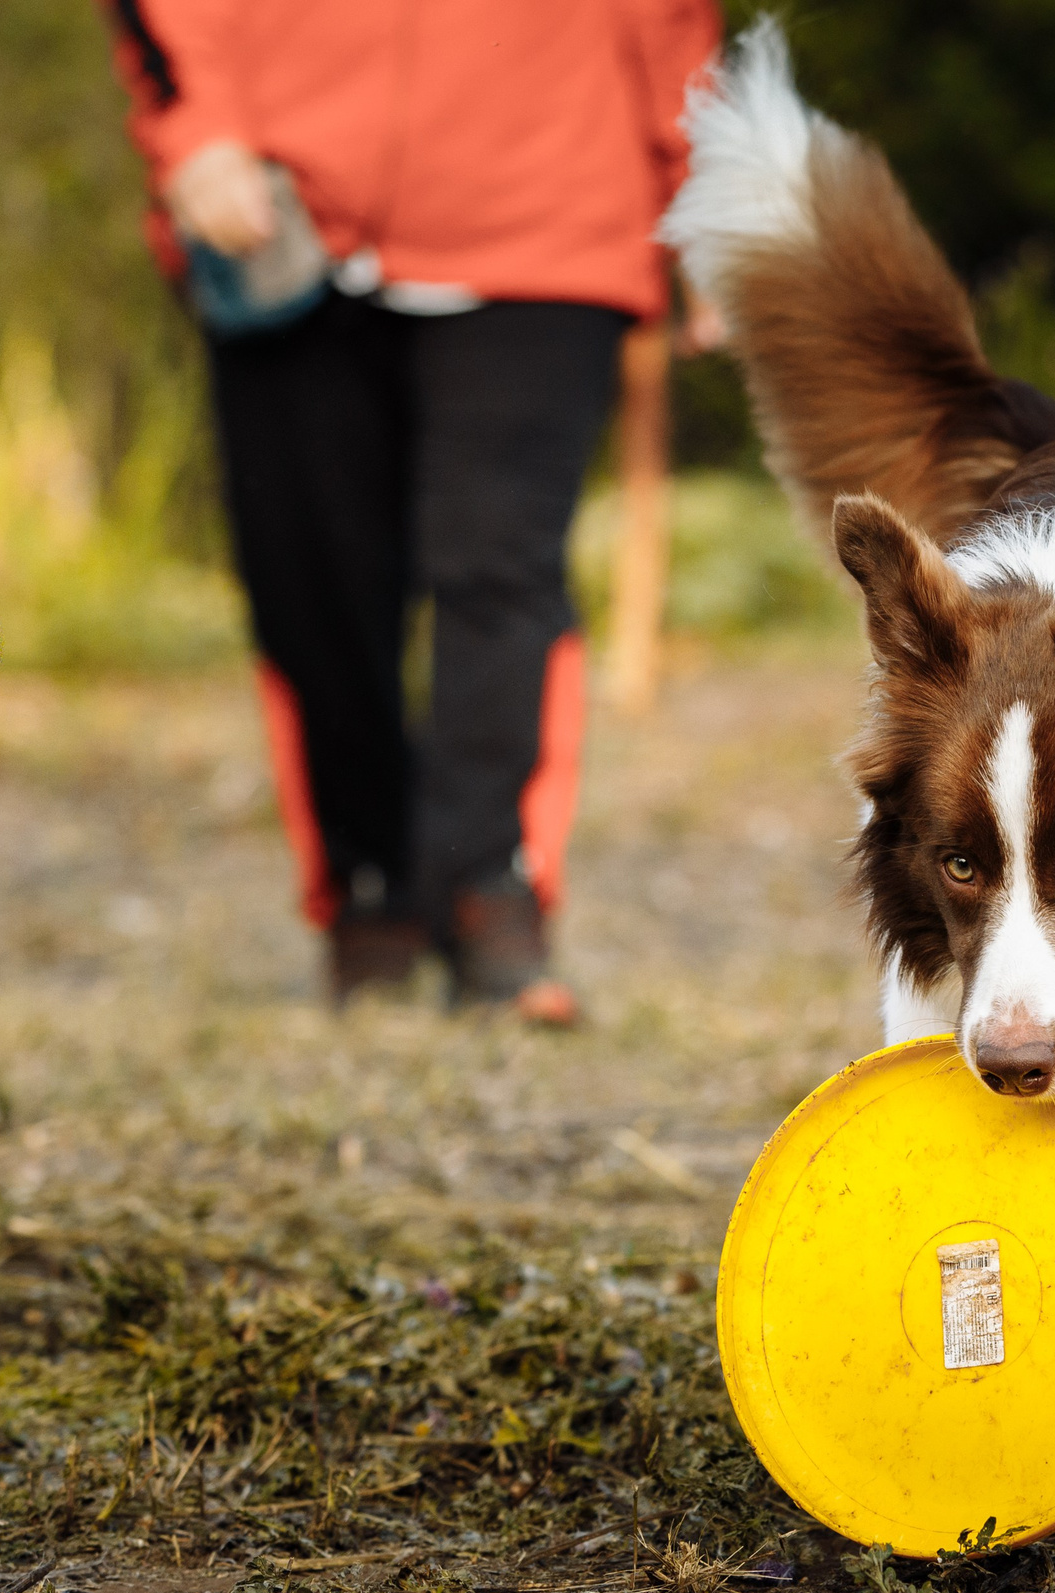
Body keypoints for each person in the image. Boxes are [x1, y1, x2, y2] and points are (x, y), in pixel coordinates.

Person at [106, 0, 721, 1022]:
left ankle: (491, 894)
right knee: (312, 590)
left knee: (500, 566)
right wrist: (197, 129)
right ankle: (369, 892)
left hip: (549, 210)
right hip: (282, 214)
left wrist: (703, 194)